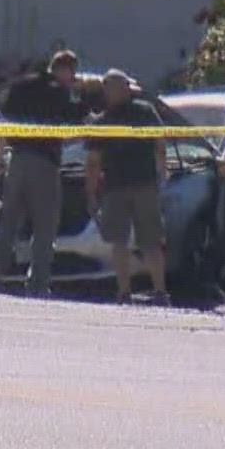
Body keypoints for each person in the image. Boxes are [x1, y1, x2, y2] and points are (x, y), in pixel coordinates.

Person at [0, 50, 84, 297]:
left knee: (9, 223)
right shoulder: (58, 92)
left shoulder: (21, 86)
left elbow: (3, 125)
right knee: (45, 226)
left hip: (17, 162)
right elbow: (76, 121)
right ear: (65, 70)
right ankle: (38, 284)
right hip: (45, 164)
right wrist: (79, 94)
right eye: (71, 74)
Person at [85, 68, 168, 305]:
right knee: (121, 242)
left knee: (148, 241)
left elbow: (160, 143)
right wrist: (91, 192)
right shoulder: (104, 121)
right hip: (118, 187)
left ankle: (156, 291)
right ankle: (129, 292)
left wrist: (162, 172)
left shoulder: (142, 112)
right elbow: (93, 162)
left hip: (139, 186)